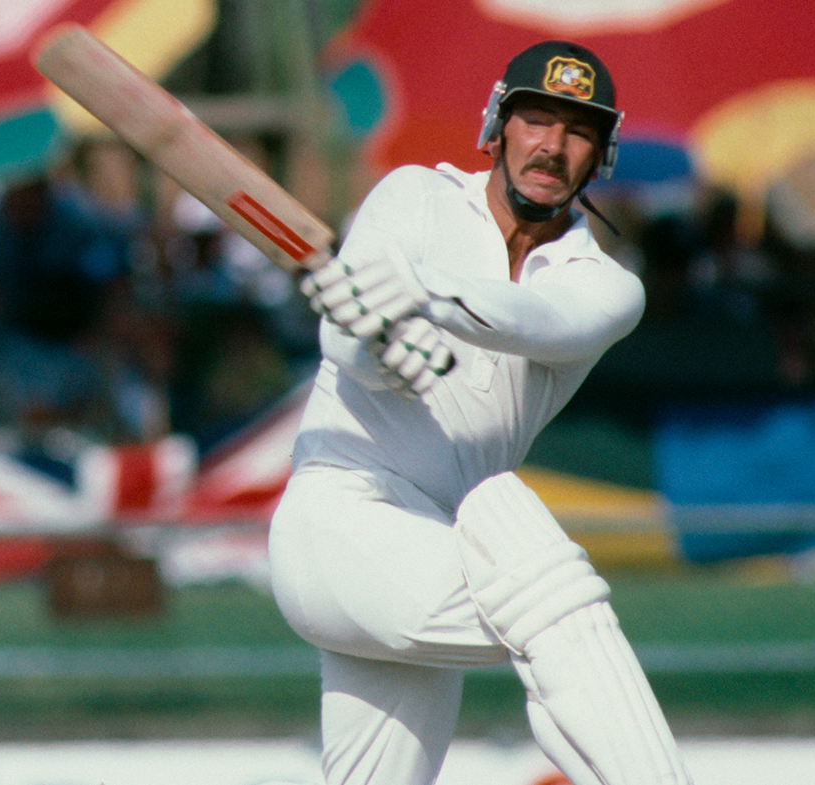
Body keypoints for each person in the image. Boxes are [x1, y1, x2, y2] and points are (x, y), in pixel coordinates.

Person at [268, 41, 692, 784]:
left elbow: (540, 319)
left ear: (603, 154)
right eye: (536, 119)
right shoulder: (414, 198)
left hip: (433, 542)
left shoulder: (606, 284)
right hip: (339, 519)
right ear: (498, 124)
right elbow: (344, 340)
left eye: (578, 131)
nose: (552, 147)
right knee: (537, 574)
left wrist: (425, 294)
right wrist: (377, 345)